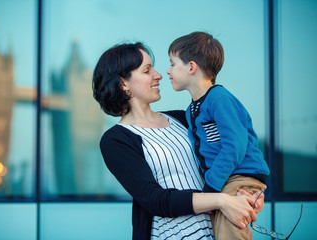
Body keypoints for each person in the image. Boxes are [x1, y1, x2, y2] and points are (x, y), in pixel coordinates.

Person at [92, 42, 264, 240]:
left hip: (216, 232)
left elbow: (229, 153)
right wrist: (221, 200)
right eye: (147, 70)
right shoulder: (116, 140)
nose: (159, 75)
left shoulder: (183, 118)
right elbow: (154, 200)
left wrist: (247, 195)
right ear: (124, 83)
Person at [166, 31, 270, 240]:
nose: (168, 71)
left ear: (191, 67)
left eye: (172, 64)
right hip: (225, 179)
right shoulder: (192, 110)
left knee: (228, 233)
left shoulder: (219, 99)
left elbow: (235, 147)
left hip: (237, 177)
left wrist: (210, 187)